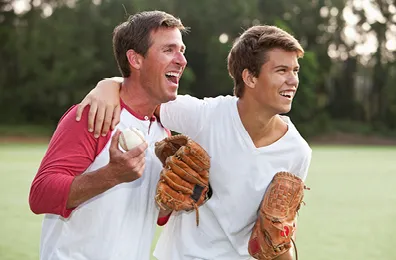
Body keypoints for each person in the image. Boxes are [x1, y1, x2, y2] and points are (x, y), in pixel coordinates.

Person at [77, 25, 312, 260]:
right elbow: (142, 92)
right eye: (282, 70)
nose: (293, 80)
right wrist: (108, 84)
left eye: (295, 70)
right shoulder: (205, 115)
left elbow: (279, 233)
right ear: (249, 77)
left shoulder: (297, 152)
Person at [29, 10, 187, 260]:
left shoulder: (162, 132)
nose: (181, 60)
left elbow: (153, 213)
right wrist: (110, 175)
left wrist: (175, 198)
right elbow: (41, 195)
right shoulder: (94, 115)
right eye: (169, 50)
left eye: (182, 50)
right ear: (135, 60)